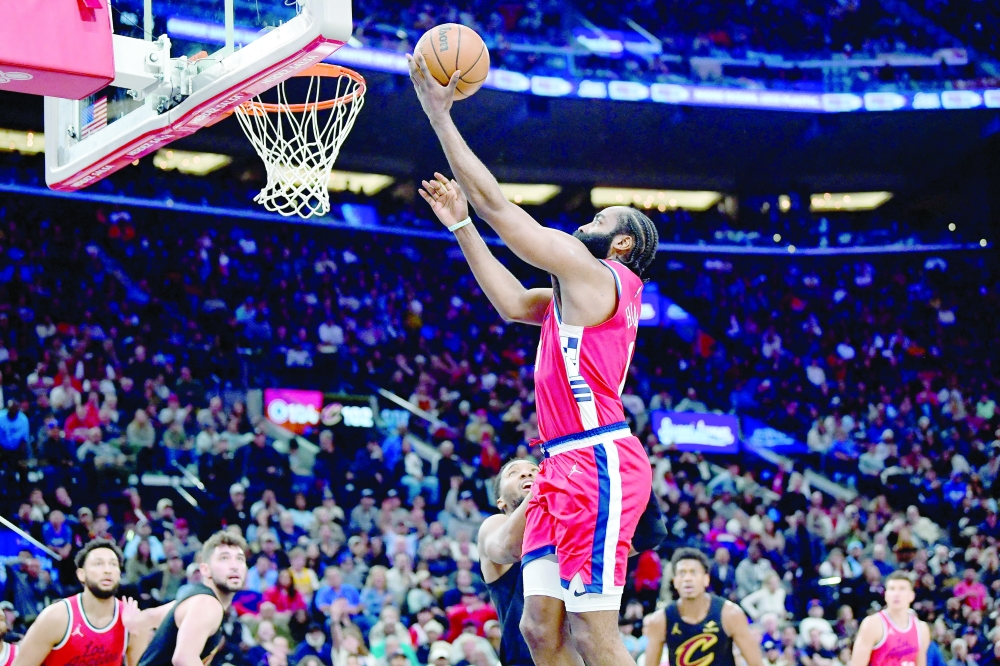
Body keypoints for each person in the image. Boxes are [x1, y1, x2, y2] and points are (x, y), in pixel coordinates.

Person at [409, 51, 658, 666]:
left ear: (620, 243)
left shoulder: (602, 276)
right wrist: (462, 227)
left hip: (597, 461)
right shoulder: (572, 295)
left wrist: (440, 116)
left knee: (593, 634)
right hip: (560, 467)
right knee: (539, 631)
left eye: (600, 219)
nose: (586, 223)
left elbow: (505, 212)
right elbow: (512, 302)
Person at [479, 459, 666, 666]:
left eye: (534, 470)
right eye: (514, 473)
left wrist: (626, 468)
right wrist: (546, 480)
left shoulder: (574, 534)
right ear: (500, 502)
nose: (527, 474)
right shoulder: (495, 525)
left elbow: (651, 533)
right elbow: (511, 546)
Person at [11, 539, 169, 666]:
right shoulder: (56, 617)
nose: (107, 570)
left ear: (119, 574)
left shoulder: (132, 619)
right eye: (98, 564)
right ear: (81, 574)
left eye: (113, 564)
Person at [137, 532, 249, 666]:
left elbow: (149, 616)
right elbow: (184, 659)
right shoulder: (208, 603)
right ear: (205, 570)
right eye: (224, 558)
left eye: (240, 559)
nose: (234, 566)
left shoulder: (194, 598)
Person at [643, 548, 762, 666]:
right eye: (682, 573)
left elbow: (756, 664)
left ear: (706, 579)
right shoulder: (660, 620)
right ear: (675, 581)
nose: (687, 578)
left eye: (693, 572)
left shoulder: (730, 614)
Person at [849, 571, 930, 666]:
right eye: (892, 589)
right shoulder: (873, 624)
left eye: (902, 589)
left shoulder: (921, 628)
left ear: (911, 596)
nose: (896, 594)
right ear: (886, 595)